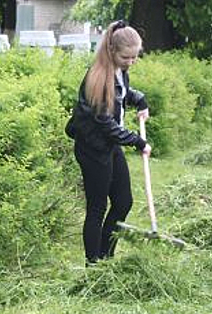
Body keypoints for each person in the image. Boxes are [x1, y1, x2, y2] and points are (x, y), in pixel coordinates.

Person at [66, 20, 151, 264]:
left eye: (135, 57)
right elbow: (105, 123)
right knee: (97, 207)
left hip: (109, 145)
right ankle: (93, 264)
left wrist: (140, 100)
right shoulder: (97, 76)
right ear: (112, 50)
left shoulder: (119, 70)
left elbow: (123, 93)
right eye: (127, 57)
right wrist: (137, 141)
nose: (131, 62)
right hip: (92, 147)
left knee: (124, 202)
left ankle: (107, 255)